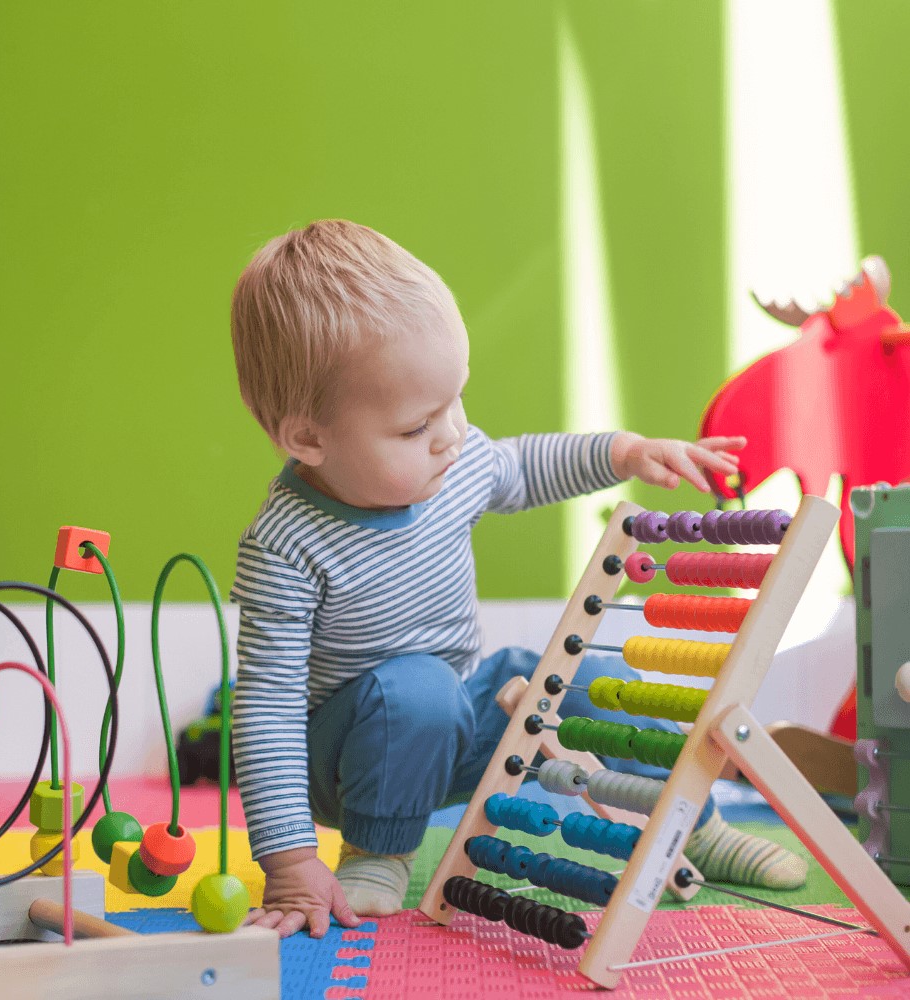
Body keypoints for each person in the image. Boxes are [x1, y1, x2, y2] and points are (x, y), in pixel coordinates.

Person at [228, 220, 807, 940]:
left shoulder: (454, 463)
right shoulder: (286, 546)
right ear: (308, 438)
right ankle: (377, 853)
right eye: (416, 426)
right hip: (347, 759)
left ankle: (696, 823)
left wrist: (623, 452)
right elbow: (266, 709)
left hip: (456, 717)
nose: (453, 434)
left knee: (590, 682)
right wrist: (287, 860)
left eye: (456, 401)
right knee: (417, 687)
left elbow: (524, 465)